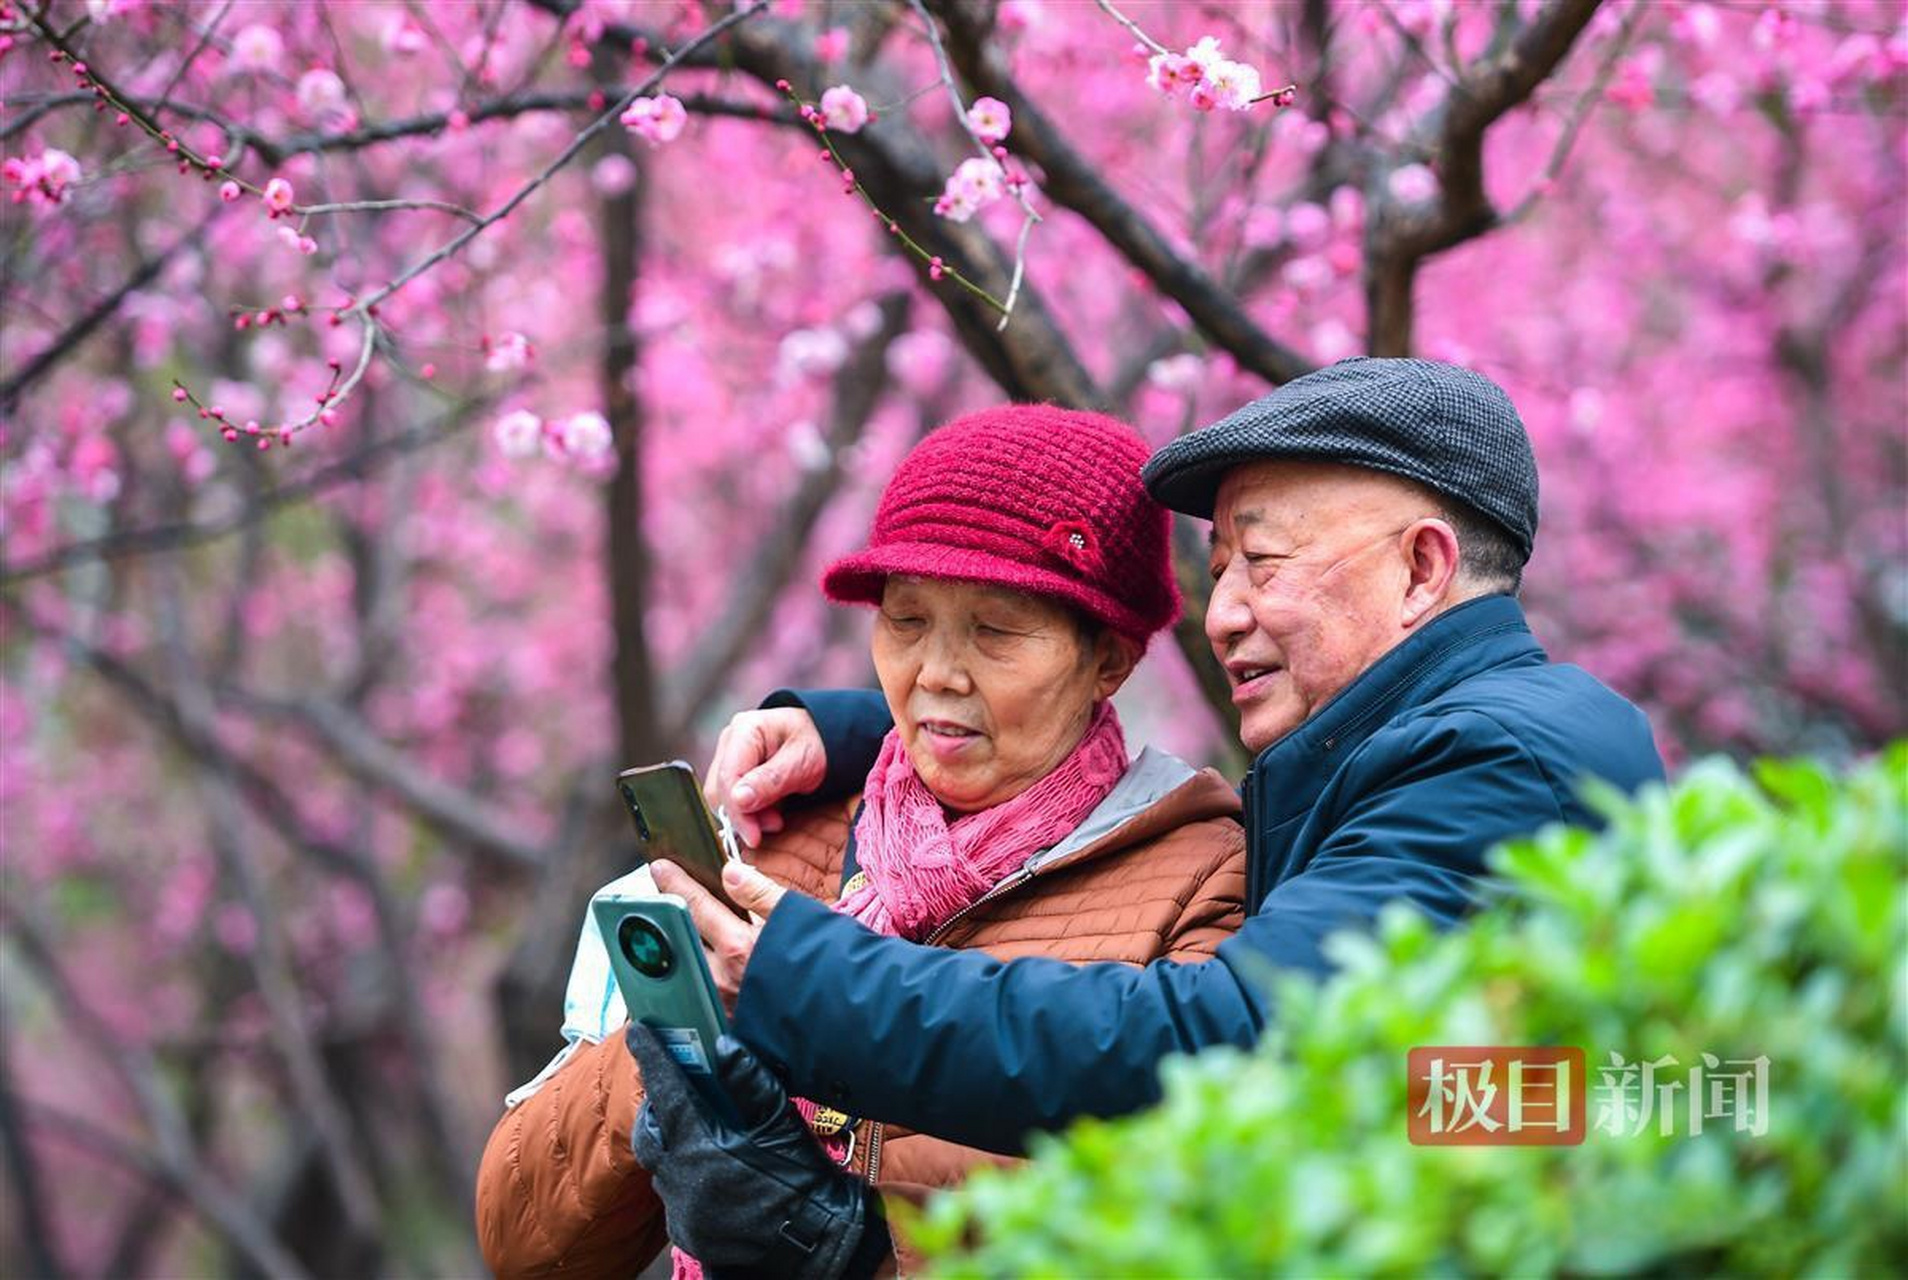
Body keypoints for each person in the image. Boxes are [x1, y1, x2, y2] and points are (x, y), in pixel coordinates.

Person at [661, 356, 1667, 1206]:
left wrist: (805, 978)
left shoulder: (1485, 766)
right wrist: (863, 730)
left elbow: (1213, 1047)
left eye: (1259, 561)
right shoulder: (1459, 735)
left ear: (1420, 569)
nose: (1220, 611)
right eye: (1217, 566)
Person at [474, 405, 1248, 1277]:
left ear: (1109, 659)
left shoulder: (1203, 884)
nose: (936, 674)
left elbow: (1176, 1232)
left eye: (994, 632)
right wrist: (676, 1047)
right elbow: (523, 1247)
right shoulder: (784, 838)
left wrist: (840, 1246)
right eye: (906, 621)